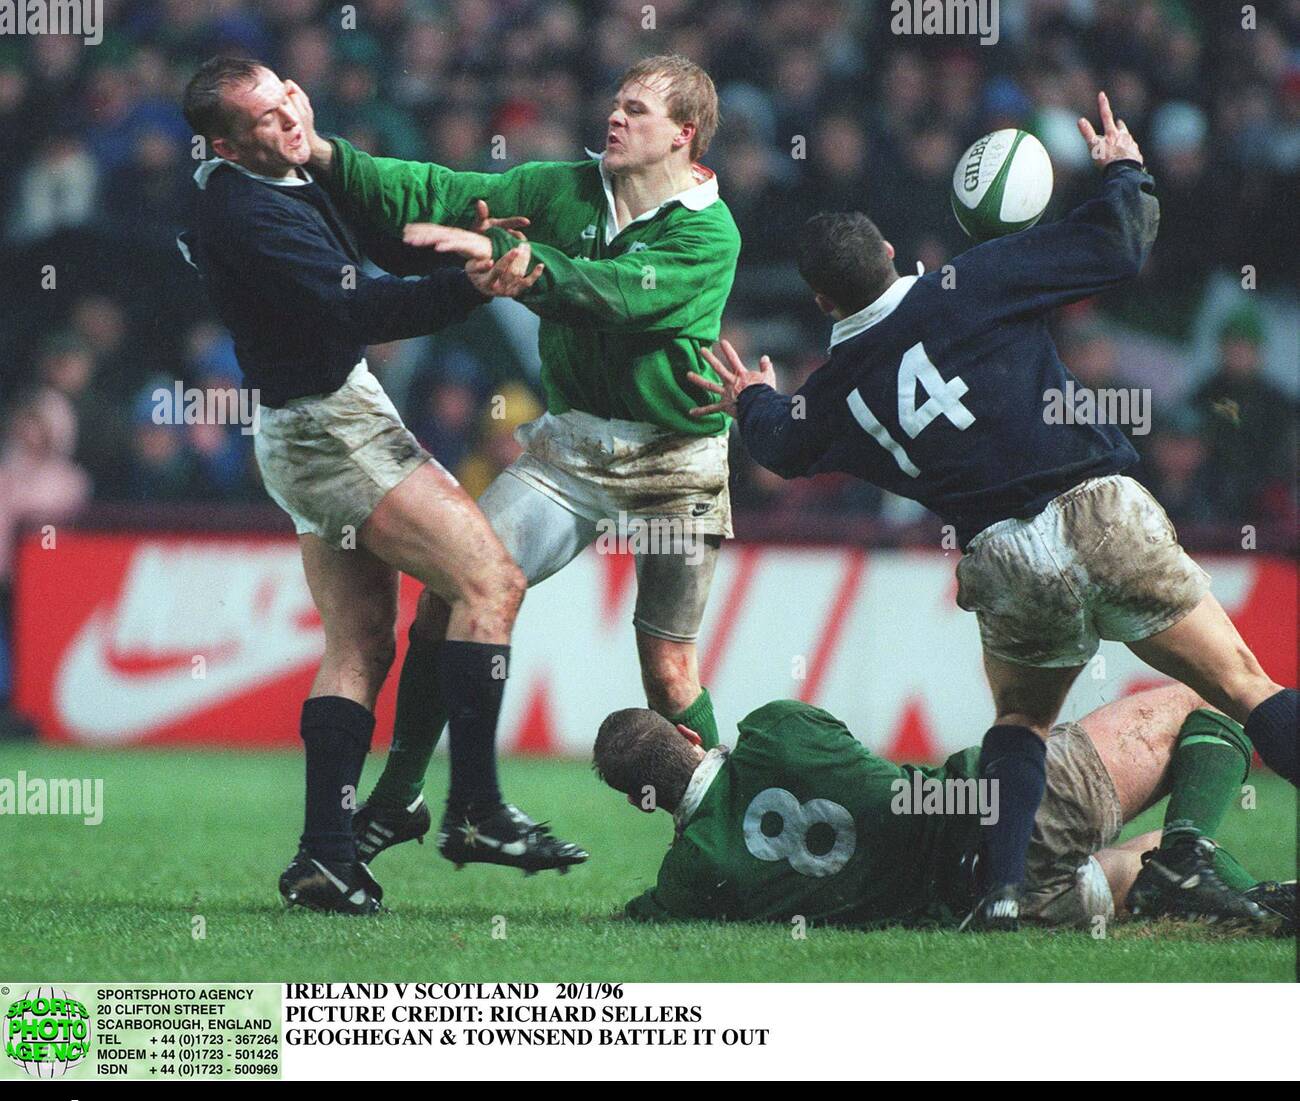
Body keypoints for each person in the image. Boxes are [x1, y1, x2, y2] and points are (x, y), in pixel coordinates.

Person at [684, 92, 1297, 930]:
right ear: (894, 254)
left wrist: (753, 397)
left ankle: (1005, 892)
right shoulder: (965, 282)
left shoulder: (834, 390)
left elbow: (781, 448)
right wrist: (1123, 167)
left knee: (1021, 719)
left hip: (1006, 555)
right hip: (1095, 508)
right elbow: (1119, 244)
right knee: (1240, 685)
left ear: (823, 304)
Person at [284, 56, 743, 869]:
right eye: (614, 102)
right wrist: (323, 153)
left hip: (676, 460)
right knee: (451, 591)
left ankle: (725, 842)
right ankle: (400, 798)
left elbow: (619, 295)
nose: (615, 118)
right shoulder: (561, 187)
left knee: (669, 672)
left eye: (637, 110)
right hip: (572, 446)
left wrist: (527, 267)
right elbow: (435, 190)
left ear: (685, 134)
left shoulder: (710, 232)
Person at [179, 57, 587, 915]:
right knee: (489, 582)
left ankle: (325, 857)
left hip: (306, 424)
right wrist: (471, 285)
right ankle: (473, 810)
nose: (285, 115)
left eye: (285, 92)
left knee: (361, 645)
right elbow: (361, 307)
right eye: (261, 115)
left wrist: (457, 241)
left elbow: (369, 242)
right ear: (223, 143)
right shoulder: (245, 212)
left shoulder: (274, 174)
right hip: (333, 428)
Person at [593, 685, 1293, 931]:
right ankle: (1193, 855)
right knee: (1197, 706)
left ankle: (1226, 889)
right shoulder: (778, 727)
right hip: (1000, 810)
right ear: (690, 735)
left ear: (636, 800)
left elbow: (636, 913)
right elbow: (868, 781)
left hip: (979, 910)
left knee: (1137, 869)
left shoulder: (689, 881)